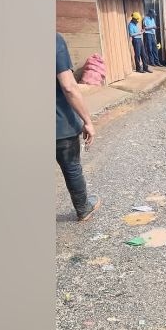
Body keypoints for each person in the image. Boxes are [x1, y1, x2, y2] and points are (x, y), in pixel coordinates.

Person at [56, 33, 100, 221]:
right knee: (71, 166)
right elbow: (69, 87)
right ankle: (83, 208)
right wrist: (87, 121)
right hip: (59, 124)